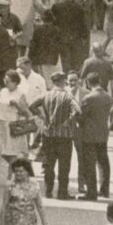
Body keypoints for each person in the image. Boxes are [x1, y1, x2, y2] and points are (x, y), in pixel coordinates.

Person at [29, 71, 80, 199]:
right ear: (63, 81)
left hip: (48, 134)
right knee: (64, 165)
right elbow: (78, 110)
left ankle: (48, 191)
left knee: (49, 164)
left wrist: (42, 116)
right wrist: (68, 121)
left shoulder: (46, 95)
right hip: (64, 136)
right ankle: (62, 192)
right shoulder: (68, 96)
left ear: (53, 82)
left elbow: (31, 106)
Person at [0, 159, 52, 225]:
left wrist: (45, 224)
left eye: (21, 171)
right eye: (16, 171)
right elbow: (4, 206)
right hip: (13, 223)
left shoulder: (34, 185)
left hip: (29, 224)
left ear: (27, 171)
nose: (18, 174)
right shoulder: (9, 186)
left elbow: (40, 206)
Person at [80, 73, 113, 201]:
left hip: (89, 134)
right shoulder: (108, 96)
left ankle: (91, 192)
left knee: (90, 163)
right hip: (103, 133)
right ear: (99, 81)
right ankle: (105, 190)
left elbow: (82, 116)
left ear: (88, 83)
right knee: (103, 162)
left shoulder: (88, 98)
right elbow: (112, 115)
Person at [0, 70, 32, 171]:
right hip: (3, 125)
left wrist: (16, 105)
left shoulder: (20, 94)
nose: (6, 83)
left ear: (15, 82)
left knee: (12, 153)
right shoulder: (3, 91)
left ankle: (13, 175)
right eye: (5, 80)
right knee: (4, 153)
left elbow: (25, 113)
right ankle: (20, 169)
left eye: (8, 81)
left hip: (14, 126)